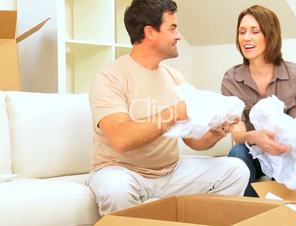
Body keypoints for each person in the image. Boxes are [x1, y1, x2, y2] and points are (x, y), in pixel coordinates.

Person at [87, 0, 249, 216]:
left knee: (236, 170)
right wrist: (175, 113)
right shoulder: (110, 76)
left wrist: (214, 133)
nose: (179, 35)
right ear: (150, 32)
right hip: (122, 171)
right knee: (116, 190)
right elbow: (120, 139)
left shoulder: (175, 77)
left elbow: (193, 140)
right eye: (172, 28)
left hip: (171, 172)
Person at [221, 5, 296, 197]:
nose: (246, 38)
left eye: (255, 31)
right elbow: (237, 135)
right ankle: (248, 215)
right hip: (252, 152)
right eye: (242, 32)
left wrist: (282, 144)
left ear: (271, 36)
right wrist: (255, 137)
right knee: (237, 154)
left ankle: (290, 213)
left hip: (287, 150)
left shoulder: (295, 76)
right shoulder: (231, 79)